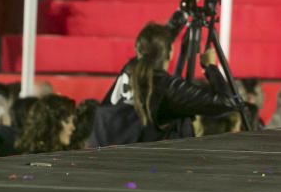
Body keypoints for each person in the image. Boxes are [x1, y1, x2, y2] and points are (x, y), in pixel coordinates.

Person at [91, 22, 236, 146]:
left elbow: (155, 42)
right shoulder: (167, 88)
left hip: (104, 155)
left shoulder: (129, 69)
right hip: (139, 169)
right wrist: (210, 67)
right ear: (170, 53)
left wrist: (182, 15)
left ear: (138, 50)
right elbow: (227, 102)